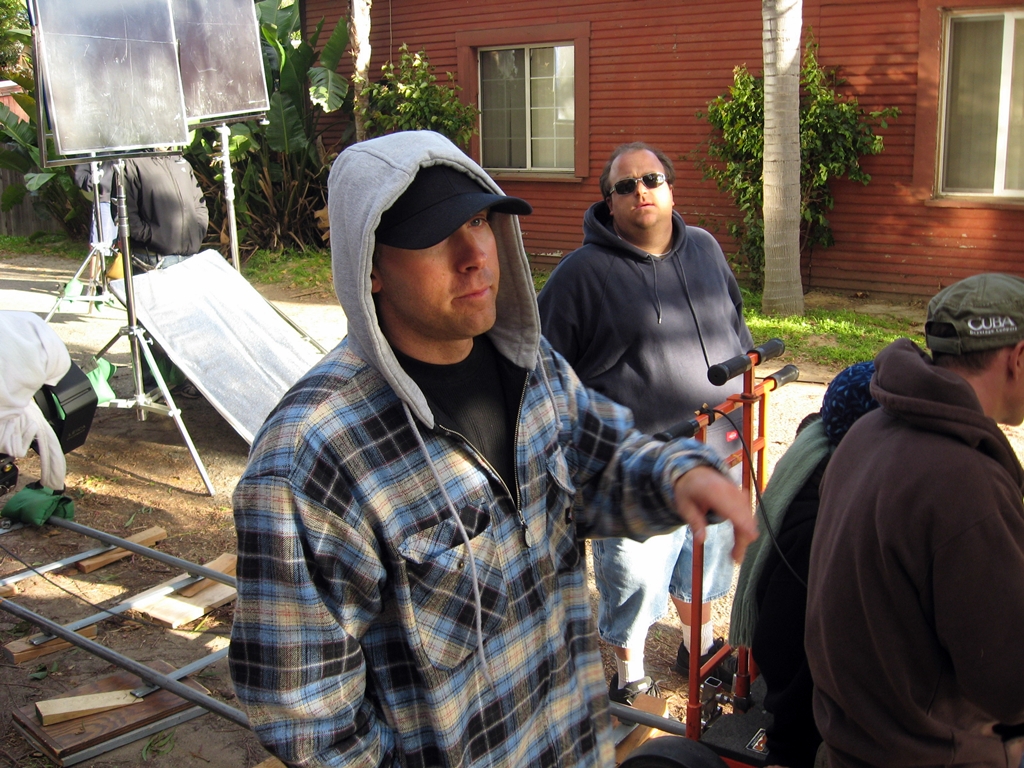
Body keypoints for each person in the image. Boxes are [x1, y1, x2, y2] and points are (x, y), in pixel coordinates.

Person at [228, 130, 758, 768]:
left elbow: (601, 462)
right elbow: (310, 721)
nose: (474, 255)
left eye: (479, 221)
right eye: (434, 235)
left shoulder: (532, 367)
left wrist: (679, 478)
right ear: (369, 265)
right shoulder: (314, 458)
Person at [537, 141, 754, 703]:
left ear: (670, 188)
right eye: (626, 185)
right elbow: (541, 366)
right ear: (609, 202)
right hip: (635, 463)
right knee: (634, 576)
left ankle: (698, 646)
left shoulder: (705, 247)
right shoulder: (581, 275)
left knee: (703, 559)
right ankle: (629, 677)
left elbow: (735, 323)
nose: (641, 191)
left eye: (652, 179)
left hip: (717, 444)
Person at [806, 273, 1024, 767]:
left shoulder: (867, 431)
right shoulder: (965, 483)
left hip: (850, 741)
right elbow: (1010, 687)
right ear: (1017, 358)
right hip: (929, 753)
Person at [728, 361, 878, 768]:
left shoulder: (821, 460)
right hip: (810, 722)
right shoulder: (819, 531)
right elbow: (787, 650)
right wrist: (789, 750)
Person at [120, 154, 209, 272]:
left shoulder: (180, 162)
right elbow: (126, 212)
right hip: (153, 259)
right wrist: (152, 236)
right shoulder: (133, 163)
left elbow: (199, 203)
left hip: (189, 257)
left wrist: (197, 232)